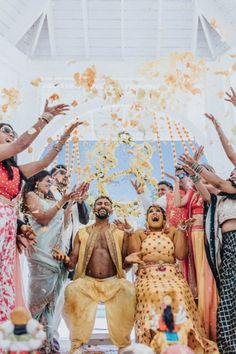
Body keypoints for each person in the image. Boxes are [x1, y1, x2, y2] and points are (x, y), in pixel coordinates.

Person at [0, 100, 70, 323]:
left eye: (13, 132)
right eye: (5, 131)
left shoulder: (16, 171)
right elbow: (21, 144)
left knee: (4, 281)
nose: (11, 135)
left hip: (8, 227)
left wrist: (65, 135)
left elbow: (44, 162)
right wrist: (45, 118)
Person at [117, 205, 219, 353]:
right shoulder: (140, 233)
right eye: (151, 211)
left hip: (171, 275)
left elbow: (181, 255)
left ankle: (182, 343)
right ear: (147, 219)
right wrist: (129, 234)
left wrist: (182, 231)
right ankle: (156, 344)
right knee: (154, 293)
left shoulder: (172, 232)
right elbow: (134, 255)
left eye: (158, 211)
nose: (154, 213)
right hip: (148, 276)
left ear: (164, 219)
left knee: (177, 294)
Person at [52, 196, 136, 354]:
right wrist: (64, 258)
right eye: (99, 204)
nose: (102, 206)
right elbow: (72, 263)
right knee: (71, 290)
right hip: (87, 282)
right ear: (94, 209)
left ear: (111, 210)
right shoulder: (82, 233)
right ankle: (77, 344)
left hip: (114, 282)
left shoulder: (120, 232)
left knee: (129, 290)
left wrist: (130, 235)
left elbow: (127, 264)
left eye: (106, 204)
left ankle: (123, 345)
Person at [179, 153, 236, 353]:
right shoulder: (219, 200)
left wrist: (195, 167)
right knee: (228, 297)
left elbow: (217, 182)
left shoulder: (229, 189)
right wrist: (193, 175)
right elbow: (204, 191)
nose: (233, 177)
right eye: (232, 174)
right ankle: (229, 346)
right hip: (227, 248)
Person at [21, 170, 82, 353]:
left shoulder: (50, 200)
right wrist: (62, 201)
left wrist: (71, 200)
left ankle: (45, 345)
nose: (49, 184)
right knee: (37, 302)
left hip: (55, 256)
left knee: (50, 305)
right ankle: (30, 345)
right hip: (41, 255)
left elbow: (63, 222)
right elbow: (43, 218)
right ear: (36, 181)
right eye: (47, 181)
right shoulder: (30, 195)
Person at [173, 163, 218, 340]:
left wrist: (194, 176)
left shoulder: (212, 188)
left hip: (204, 236)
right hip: (191, 236)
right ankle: (195, 323)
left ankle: (209, 324)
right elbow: (178, 203)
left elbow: (207, 192)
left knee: (204, 276)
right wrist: (177, 183)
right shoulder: (192, 191)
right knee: (193, 279)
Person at [50, 164, 90, 341]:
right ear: (51, 178)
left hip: (71, 254)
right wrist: (69, 199)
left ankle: (75, 340)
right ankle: (50, 338)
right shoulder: (49, 193)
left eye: (66, 174)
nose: (64, 176)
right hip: (52, 250)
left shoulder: (72, 196)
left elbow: (84, 218)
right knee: (54, 300)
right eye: (60, 173)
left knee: (69, 299)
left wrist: (80, 201)